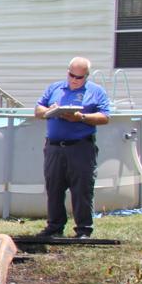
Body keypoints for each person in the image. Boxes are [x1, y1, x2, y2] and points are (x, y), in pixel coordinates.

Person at [33, 56, 110, 238]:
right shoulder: (54, 88)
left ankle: (83, 229)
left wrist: (81, 117)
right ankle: (54, 227)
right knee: (54, 187)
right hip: (54, 148)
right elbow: (38, 110)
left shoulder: (96, 92)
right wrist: (51, 111)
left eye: (79, 77)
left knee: (82, 188)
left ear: (87, 76)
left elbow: (105, 117)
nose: (75, 80)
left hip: (81, 147)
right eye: (72, 75)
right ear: (67, 72)